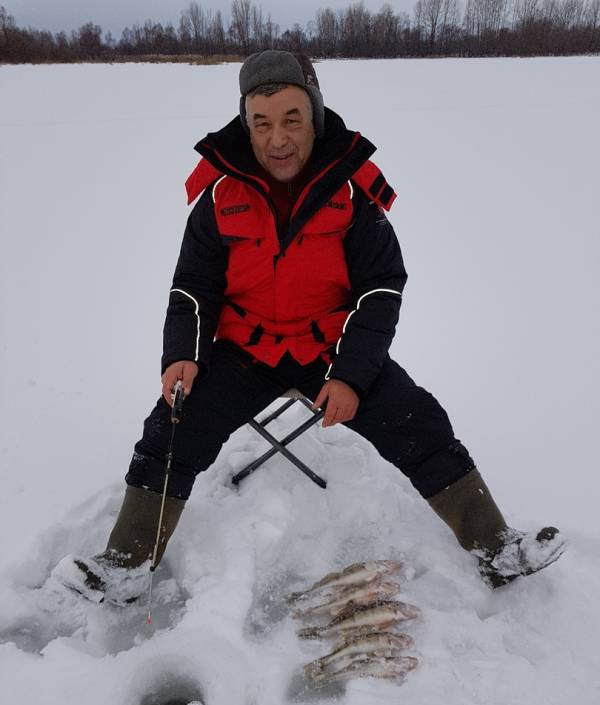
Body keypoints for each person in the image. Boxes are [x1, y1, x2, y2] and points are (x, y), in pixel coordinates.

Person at [62, 51, 565, 604]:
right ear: (246, 123)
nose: (278, 138)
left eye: (292, 119)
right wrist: (182, 352)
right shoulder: (218, 194)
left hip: (329, 349)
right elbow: (192, 288)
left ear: (315, 115)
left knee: (419, 421)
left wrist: (351, 376)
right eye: (263, 122)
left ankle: (496, 550)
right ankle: (126, 567)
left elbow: (381, 290)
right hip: (242, 351)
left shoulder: (352, 191)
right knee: (169, 432)